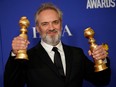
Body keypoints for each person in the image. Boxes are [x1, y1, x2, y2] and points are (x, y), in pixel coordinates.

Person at [4, 2, 111, 87]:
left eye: (55, 22)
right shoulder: (29, 57)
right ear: (37, 28)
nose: (51, 28)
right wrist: (14, 53)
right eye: (45, 24)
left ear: (61, 24)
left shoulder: (77, 54)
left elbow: (102, 81)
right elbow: (11, 85)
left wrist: (102, 59)